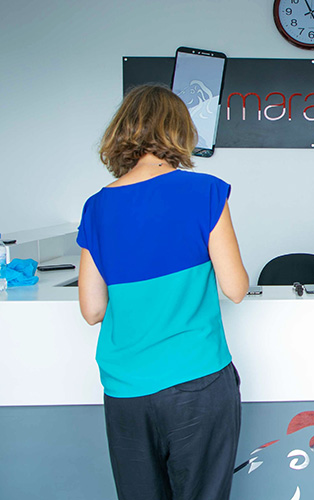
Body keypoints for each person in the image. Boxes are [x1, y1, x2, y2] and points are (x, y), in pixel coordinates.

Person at [77, 84, 249, 500]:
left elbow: (92, 309)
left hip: (126, 391)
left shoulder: (97, 207)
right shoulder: (205, 192)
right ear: (179, 131)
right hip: (198, 383)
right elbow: (236, 288)